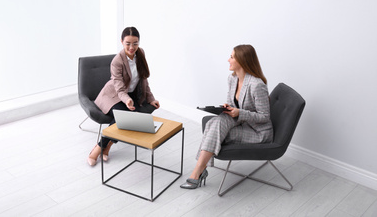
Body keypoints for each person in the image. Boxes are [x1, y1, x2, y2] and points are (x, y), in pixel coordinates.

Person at [180, 44, 273, 189]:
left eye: (231, 57)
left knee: (213, 128)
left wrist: (239, 113)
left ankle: (198, 172)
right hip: (241, 122)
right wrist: (228, 108)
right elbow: (233, 104)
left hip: (258, 132)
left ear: (242, 60)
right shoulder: (232, 79)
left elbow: (265, 116)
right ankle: (199, 170)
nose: (228, 60)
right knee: (215, 122)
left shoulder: (256, 85)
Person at [87, 26, 160, 166]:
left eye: (135, 43)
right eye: (128, 43)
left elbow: (144, 79)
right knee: (123, 116)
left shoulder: (141, 54)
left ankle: (106, 147)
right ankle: (97, 149)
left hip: (130, 94)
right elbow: (119, 88)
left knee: (125, 117)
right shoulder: (117, 61)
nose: (132, 47)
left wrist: (151, 98)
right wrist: (127, 100)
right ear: (121, 42)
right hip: (113, 94)